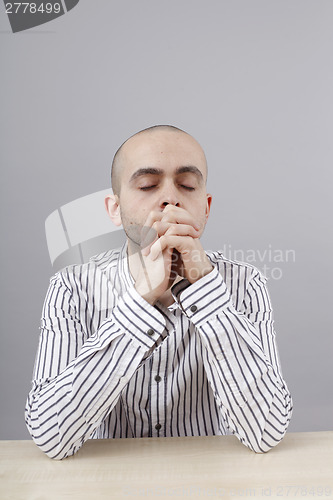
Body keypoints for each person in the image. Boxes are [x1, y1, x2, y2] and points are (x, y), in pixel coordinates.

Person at [25, 125, 293, 460]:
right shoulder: (72, 289)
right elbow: (51, 437)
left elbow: (265, 431)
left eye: (188, 185)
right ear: (114, 209)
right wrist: (141, 300)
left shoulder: (245, 285)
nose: (170, 198)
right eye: (148, 185)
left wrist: (206, 288)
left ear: (206, 207)